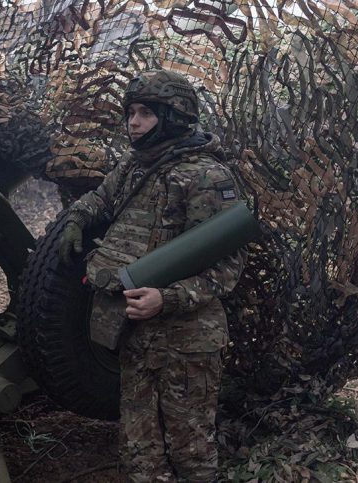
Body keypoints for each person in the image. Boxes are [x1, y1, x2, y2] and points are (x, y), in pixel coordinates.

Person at [58, 70, 245, 482]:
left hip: (187, 342)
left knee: (191, 452)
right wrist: (76, 218)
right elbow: (100, 197)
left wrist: (168, 299)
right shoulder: (135, 166)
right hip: (137, 334)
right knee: (140, 452)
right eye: (131, 113)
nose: (134, 122)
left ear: (174, 117)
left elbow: (228, 266)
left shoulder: (206, 177)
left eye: (145, 113)